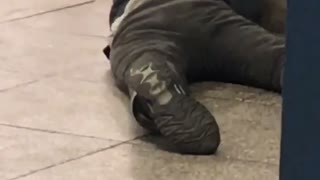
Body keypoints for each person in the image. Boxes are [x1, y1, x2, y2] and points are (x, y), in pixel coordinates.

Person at [103, 0, 286, 155]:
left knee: (143, 51)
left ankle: (156, 80)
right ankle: (297, 68)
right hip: (213, 14)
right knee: (272, 57)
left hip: (146, 14)